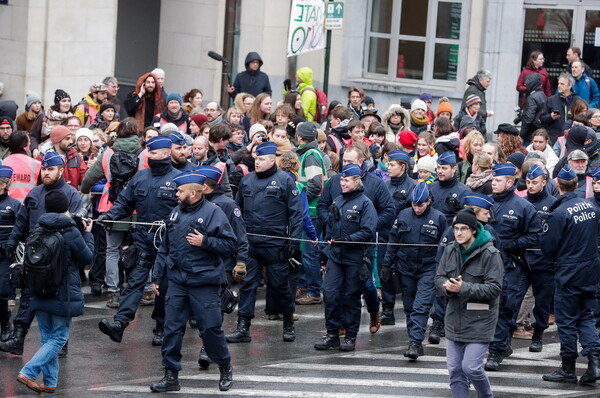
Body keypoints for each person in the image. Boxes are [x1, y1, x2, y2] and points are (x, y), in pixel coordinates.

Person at [149, 171, 236, 392]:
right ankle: (170, 376)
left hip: (204, 281)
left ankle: (224, 366)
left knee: (210, 329)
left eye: (180, 191)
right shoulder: (174, 214)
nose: (176, 194)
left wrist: (205, 241)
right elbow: (165, 248)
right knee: (172, 328)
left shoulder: (213, 213)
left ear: (195, 193)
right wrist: (157, 277)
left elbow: (229, 245)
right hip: (178, 280)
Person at [97, 136, 180, 346]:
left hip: (167, 244)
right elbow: (124, 202)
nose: (149, 156)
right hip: (143, 240)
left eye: (153, 153)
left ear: (166, 153)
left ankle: (161, 327)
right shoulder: (140, 177)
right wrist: (110, 216)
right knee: (134, 283)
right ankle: (119, 323)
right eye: (148, 152)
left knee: (163, 287)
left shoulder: (180, 178)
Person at [0, 152, 82, 357]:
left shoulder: (71, 194)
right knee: (28, 296)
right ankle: (18, 337)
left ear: (61, 170)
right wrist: (12, 243)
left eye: (50, 169)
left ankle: (61, 341)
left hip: (59, 256)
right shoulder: (34, 193)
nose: (46, 173)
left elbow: (77, 225)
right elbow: (21, 222)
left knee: (59, 299)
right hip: (35, 256)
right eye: (44, 169)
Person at [15, 190, 93, 395]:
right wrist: (88, 233)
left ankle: (50, 382)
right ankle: (29, 371)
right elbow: (87, 258)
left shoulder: (37, 229)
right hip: (62, 292)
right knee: (59, 338)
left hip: (39, 291)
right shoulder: (71, 231)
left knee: (47, 337)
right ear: (66, 207)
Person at [226, 142, 303, 343]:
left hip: (275, 244)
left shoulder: (285, 180)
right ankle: (243, 327)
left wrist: (294, 242)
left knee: (279, 286)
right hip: (251, 243)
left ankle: (288, 323)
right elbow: (237, 212)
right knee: (247, 285)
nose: (257, 162)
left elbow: (296, 214)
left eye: (261, 159)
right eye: (256, 158)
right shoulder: (247, 180)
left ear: (271, 160)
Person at [435, 207, 503, 398]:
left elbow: (494, 288)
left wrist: (463, 288)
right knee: (455, 370)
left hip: (480, 319)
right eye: (456, 228)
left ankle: (486, 396)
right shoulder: (450, 249)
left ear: (474, 229)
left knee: (471, 368)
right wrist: (446, 286)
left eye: (463, 228)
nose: (459, 233)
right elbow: (438, 277)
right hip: (454, 317)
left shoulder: (491, 253)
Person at [541, 165, 600, 384]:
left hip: (569, 272)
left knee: (566, 321)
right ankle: (593, 362)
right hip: (590, 270)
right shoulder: (592, 207)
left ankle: (568, 367)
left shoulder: (558, 213)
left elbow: (548, 246)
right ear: (577, 185)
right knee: (585, 315)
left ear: (557, 185)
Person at [484, 163, 542, 371]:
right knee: (491, 308)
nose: (493, 183)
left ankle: (497, 351)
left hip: (513, 265)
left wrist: (513, 246)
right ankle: (501, 345)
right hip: (488, 264)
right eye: (492, 179)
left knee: (506, 308)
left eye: (497, 180)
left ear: (509, 182)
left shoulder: (523, 206)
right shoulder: (486, 203)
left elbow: (535, 235)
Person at [313, 164, 377, 351]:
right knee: (330, 293)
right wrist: (325, 251)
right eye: (341, 179)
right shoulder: (338, 201)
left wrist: (346, 240)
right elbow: (330, 230)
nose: (342, 183)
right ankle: (332, 334)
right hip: (335, 257)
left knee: (351, 297)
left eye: (346, 180)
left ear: (357, 182)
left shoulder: (366, 204)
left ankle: (350, 336)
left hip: (355, 258)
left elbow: (368, 231)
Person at [381, 182, 447, 360]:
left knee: (421, 306)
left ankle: (415, 342)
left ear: (429, 201)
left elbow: (445, 248)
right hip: (406, 267)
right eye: (414, 204)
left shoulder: (439, 218)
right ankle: (414, 338)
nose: (417, 208)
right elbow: (393, 241)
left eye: (421, 204)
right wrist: (386, 264)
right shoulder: (403, 215)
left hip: (429, 268)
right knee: (409, 308)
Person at [81, 118, 143, 301]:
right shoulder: (144, 153)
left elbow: (90, 178)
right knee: (140, 249)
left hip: (111, 206)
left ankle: (114, 292)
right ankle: (140, 290)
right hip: (137, 209)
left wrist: (84, 190)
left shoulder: (108, 153)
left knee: (112, 250)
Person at [294, 122, 328, 305]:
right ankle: (305, 284)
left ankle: (314, 291)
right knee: (305, 252)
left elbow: (315, 184)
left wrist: (298, 199)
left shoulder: (311, 155)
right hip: (311, 209)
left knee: (309, 253)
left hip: (312, 210)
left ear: (300, 137)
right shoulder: (309, 153)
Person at [0, 166, 21, 343]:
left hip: (5, 254)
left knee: (2, 291)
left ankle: (5, 323)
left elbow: (20, 228)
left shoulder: (14, 205)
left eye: (1, 182)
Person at [37, 125, 88, 189]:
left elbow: (85, 180)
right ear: (57, 140)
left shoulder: (76, 157)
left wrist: (90, 168)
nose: (71, 141)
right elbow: (37, 182)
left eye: (71, 138)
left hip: (71, 197)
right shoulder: (42, 158)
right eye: (67, 139)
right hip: (50, 196)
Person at [429, 152, 472, 225]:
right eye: (438, 167)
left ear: (454, 169)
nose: (440, 171)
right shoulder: (430, 187)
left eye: (444, 168)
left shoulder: (464, 192)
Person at [540, 73, 581, 144]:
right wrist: (551, 117)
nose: (559, 86)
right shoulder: (551, 100)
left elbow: (583, 119)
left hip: (572, 139)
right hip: (553, 139)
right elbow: (542, 119)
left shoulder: (577, 101)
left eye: (562, 84)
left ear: (569, 86)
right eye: (558, 83)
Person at [3, 131, 42, 202]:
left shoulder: (3, 164)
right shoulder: (37, 164)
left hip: (7, 207)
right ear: (25, 146)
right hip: (29, 206)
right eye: (29, 141)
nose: (30, 143)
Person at [519, 73, 548, 143]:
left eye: (527, 81)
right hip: (539, 131)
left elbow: (528, 118)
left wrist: (522, 135)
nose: (525, 84)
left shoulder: (532, 97)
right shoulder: (543, 95)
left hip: (531, 134)